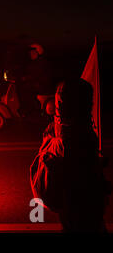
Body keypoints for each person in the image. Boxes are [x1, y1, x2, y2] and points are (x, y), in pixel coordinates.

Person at [30, 78, 110, 232]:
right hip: (80, 203)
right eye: (89, 101)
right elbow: (83, 173)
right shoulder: (76, 136)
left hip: (69, 204)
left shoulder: (57, 128)